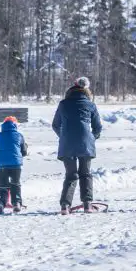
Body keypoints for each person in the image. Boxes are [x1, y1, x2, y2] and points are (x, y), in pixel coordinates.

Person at [52, 77, 103, 214]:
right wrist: (92, 138)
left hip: (67, 144)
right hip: (86, 143)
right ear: (86, 91)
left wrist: (64, 137)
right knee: (85, 174)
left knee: (70, 175)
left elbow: (55, 125)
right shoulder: (90, 105)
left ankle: (65, 206)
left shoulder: (63, 104)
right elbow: (98, 127)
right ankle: (87, 204)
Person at [0, 116, 29, 214]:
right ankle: (16, 203)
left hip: (3, 165)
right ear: (15, 125)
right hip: (16, 165)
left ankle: (0, 203)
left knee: (2, 186)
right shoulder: (19, 136)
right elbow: (24, 152)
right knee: (15, 184)